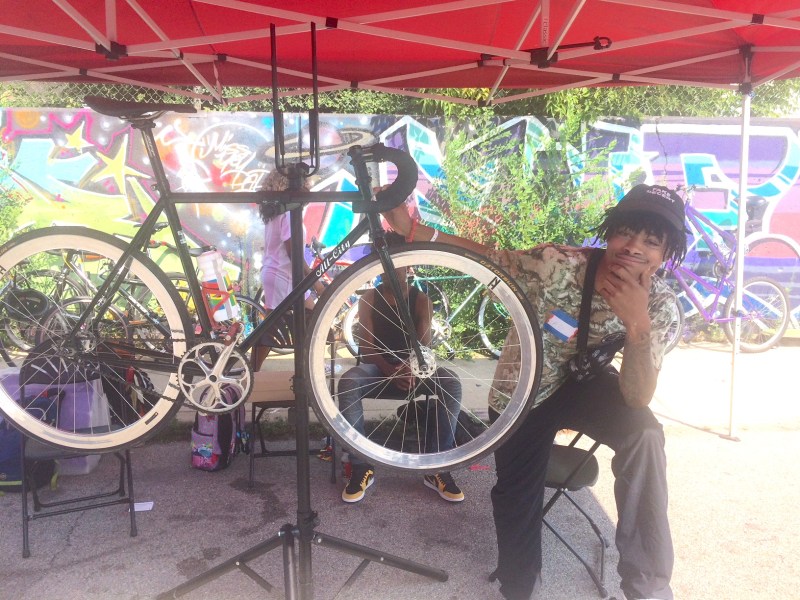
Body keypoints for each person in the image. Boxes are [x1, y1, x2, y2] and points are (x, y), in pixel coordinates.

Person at [383, 184, 687, 600]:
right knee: (516, 491)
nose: (634, 248)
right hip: (523, 386)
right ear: (610, 232)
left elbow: (636, 397)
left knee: (646, 435)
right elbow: (487, 257)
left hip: (585, 385)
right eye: (626, 233)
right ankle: (521, 589)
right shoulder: (558, 265)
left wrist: (637, 327)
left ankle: (648, 588)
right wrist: (412, 228)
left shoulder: (662, 307)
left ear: (665, 255)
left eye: (651, 242)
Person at [338, 233, 465, 504]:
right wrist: (389, 369)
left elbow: (425, 347)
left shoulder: (421, 301)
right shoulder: (369, 299)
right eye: (385, 264)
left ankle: (437, 467)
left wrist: (408, 369)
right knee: (348, 381)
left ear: (409, 265)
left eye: (398, 263)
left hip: (415, 371)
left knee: (451, 381)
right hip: (378, 369)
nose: (392, 269)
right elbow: (366, 347)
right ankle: (360, 467)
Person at [255, 170, 323, 369]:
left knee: (312, 320)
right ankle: (252, 370)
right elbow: (293, 253)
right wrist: (316, 284)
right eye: (304, 185)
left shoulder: (277, 213)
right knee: (274, 328)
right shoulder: (287, 214)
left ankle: (309, 366)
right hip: (282, 276)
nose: (308, 190)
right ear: (289, 187)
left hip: (280, 275)